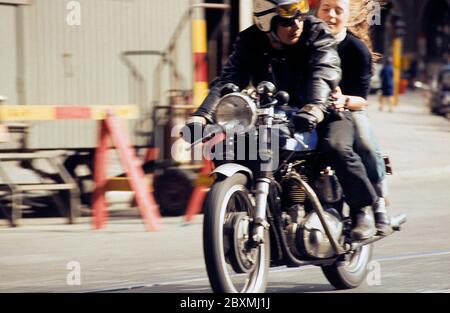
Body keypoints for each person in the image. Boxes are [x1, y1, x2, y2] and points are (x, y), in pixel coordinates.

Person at [181, 0, 378, 240]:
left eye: (300, 15)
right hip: (272, 113)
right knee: (230, 146)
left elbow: (324, 69)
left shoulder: (317, 31)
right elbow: (227, 81)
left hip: (324, 111)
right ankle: (245, 205)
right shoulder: (250, 41)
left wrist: (315, 107)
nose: (296, 25)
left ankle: (362, 210)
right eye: (286, 20)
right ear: (266, 22)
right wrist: (202, 116)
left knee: (336, 146)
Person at [316, 0, 390, 235]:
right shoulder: (306, 41)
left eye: (338, 10)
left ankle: (376, 202)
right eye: (326, 9)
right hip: (313, 108)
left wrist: (343, 100)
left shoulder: (356, 49)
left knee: (365, 143)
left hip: (349, 108)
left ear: (348, 16)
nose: (331, 15)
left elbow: (362, 99)